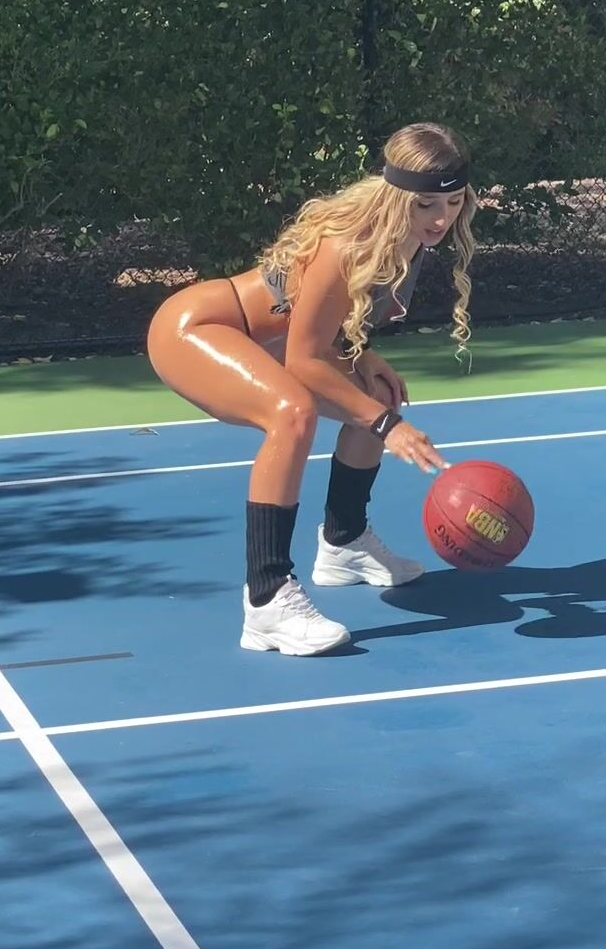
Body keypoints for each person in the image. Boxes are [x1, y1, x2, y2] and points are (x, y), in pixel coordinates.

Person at [147, 122, 476, 655]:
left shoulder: (409, 239)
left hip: (272, 342)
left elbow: (323, 324)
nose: (441, 218)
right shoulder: (347, 244)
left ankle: (344, 541)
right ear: (396, 196)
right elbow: (303, 360)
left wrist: (365, 362)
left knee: (375, 393)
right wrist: (388, 428)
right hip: (196, 329)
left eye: (454, 202)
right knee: (292, 411)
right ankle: (266, 598)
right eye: (425, 205)